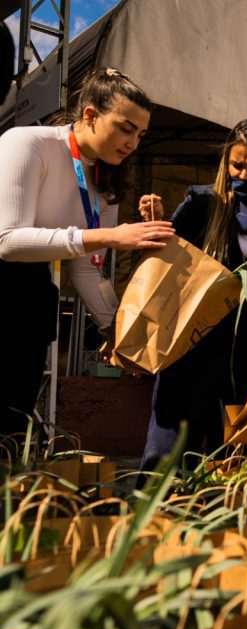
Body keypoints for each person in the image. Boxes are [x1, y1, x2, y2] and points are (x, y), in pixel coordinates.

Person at [0, 68, 174, 438]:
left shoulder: (105, 179)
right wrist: (110, 236)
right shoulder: (27, 143)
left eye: (141, 135)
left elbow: (87, 271)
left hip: (30, 304)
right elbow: (8, 242)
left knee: (13, 430)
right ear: (91, 115)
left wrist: (115, 330)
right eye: (126, 128)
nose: (133, 143)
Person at [141, 118, 247, 458]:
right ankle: (158, 507)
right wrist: (156, 223)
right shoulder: (201, 204)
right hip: (192, 346)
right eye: (237, 164)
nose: (244, 174)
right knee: (172, 449)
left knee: (239, 453)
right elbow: (169, 259)